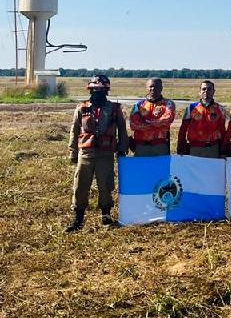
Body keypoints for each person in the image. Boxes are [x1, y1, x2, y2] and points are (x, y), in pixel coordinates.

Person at [65, 75, 128, 232]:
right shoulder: (81, 108)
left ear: (106, 91)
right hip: (85, 153)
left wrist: (122, 148)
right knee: (80, 186)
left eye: (101, 90)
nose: (97, 93)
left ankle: (106, 217)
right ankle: (78, 220)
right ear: (90, 90)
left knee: (105, 185)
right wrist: (73, 151)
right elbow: (74, 130)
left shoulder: (115, 108)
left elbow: (122, 129)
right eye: (95, 90)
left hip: (106, 154)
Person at [176, 80, 226, 158]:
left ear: (213, 91)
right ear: (199, 92)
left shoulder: (220, 109)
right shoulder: (191, 108)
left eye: (209, 89)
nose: (206, 91)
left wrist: (223, 149)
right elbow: (183, 129)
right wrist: (180, 147)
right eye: (204, 89)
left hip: (213, 148)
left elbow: (222, 131)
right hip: (195, 148)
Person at [128, 78, 176, 157]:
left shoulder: (169, 104)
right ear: (147, 87)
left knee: (160, 169)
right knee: (142, 169)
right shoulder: (138, 105)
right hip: (141, 147)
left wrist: (145, 123)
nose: (153, 89)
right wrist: (156, 124)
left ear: (161, 88)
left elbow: (167, 119)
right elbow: (133, 125)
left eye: (156, 86)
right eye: (151, 86)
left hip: (160, 146)